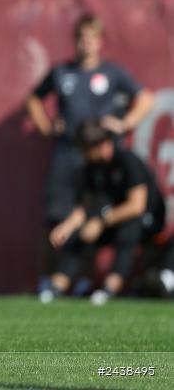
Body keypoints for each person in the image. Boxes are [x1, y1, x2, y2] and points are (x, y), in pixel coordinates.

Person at [26, 15, 154, 274]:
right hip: (68, 154)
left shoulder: (112, 73)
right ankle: (50, 281)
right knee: (57, 216)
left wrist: (125, 122)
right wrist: (48, 127)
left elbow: (146, 98)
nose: (87, 44)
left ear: (100, 42)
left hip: (100, 161)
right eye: (82, 38)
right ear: (76, 41)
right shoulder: (63, 72)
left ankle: (83, 280)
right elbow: (34, 99)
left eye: (92, 38)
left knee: (94, 215)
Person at [42, 119, 167, 305]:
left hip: (147, 221)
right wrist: (67, 227)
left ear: (101, 145)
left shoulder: (127, 161)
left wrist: (100, 222)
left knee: (128, 231)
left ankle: (109, 289)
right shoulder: (90, 169)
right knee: (81, 235)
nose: (83, 155)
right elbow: (84, 207)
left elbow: (136, 206)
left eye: (86, 150)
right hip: (111, 219)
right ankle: (56, 287)